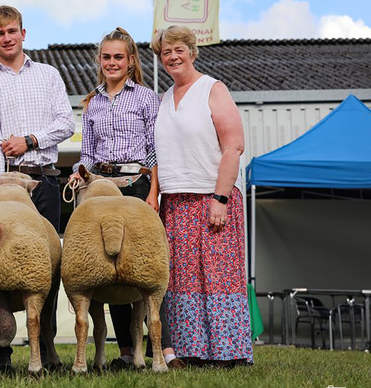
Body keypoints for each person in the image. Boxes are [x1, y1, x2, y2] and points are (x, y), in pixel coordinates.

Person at [70, 27, 184, 370]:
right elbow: (87, 152)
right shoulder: (92, 102)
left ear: (131, 60)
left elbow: (155, 150)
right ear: (99, 60)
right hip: (101, 189)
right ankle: (124, 352)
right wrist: (80, 172)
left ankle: (163, 350)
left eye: (118, 57)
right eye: (106, 57)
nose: (112, 63)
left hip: (136, 183)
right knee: (112, 264)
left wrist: (153, 191)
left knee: (148, 265)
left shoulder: (148, 98)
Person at [0, 5, 74, 371]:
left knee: (46, 265)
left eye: (12, 31)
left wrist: (29, 139)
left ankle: (45, 345)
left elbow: (66, 122)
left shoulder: (48, 75)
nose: (7, 38)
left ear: (23, 33)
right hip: (5, 185)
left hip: (43, 178)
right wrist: (1, 189)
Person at [151, 25, 253, 366]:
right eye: (166, 52)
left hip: (211, 197)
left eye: (179, 49)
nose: (172, 56)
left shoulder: (213, 88)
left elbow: (234, 146)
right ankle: (192, 351)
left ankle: (227, 353)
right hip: (175, 203)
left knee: (217, 276)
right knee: (181, 280)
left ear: (192, 52)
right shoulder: (164, 98)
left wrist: (220, 198)